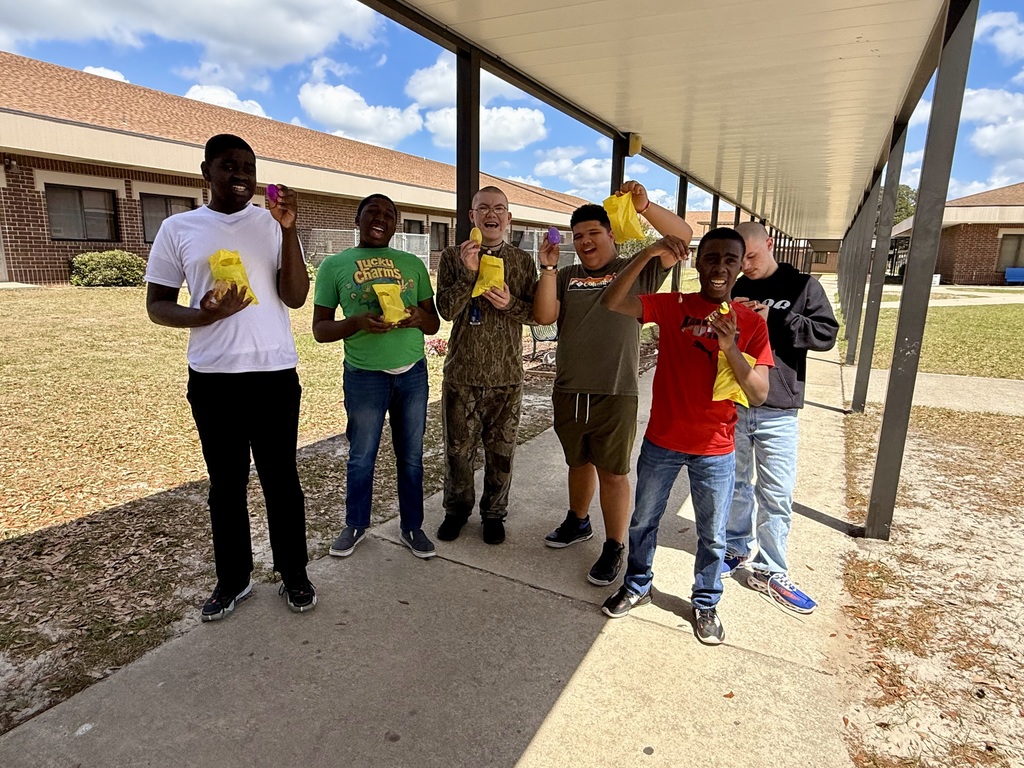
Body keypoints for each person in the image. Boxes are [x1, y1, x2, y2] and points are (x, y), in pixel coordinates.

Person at [145, 133, 315, 620]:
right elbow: (157, 306)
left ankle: (294, 572)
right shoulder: (180, 228)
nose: (241, 175)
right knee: (226, 484)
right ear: (206, 172)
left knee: (282, 480)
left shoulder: (273, 223)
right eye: (228, 166)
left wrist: (288, 229)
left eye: (248, 166)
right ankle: (233, 579)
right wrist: (202, 317)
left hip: (274, 373)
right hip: (214, 377)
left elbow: (297, 296)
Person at [600, 227, 774, 645]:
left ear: (740, 266)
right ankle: (638, 584)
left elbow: (759, 393)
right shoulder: (674, 306)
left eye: (729, 260)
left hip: (716, 449)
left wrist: (730, 345)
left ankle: (706, 601)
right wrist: (647, 254)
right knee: (643, 521)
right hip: (663, 440)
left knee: (712, 534)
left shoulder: (750, 322)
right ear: (697, 261)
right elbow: (612, 301)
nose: (719, 268)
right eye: (711, 258)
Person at [533, 182, 693, 586]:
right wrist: (548, 268)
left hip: (616, 390)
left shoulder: (636, 270)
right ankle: (578, 520)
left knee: (613, 472)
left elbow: (684, 236)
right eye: (578, 236)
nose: (586, 242)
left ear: (611, 235)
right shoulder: (566, 275)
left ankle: (614, 545)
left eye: (593, 233)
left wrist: (644, 207)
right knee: (577, 461)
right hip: (570, 388)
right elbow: (546, 316)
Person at [312, 194, 441, 561]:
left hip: (412, 374)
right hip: (364, 377)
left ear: (396, 224)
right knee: (362, 455)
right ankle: (355, 524)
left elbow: (433, 323)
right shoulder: (335, 266)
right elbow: (320, 329)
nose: (380, 218)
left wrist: (418, 318)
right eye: (372, 212)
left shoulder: (412, 264)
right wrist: (354, 323)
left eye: (389, 214)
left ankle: (412, 527)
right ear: (357, 219)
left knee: (412, 456)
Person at [723, 221, 839, 613]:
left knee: (776, 493)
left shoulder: (804, 286)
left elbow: (825, 335)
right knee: (736, 484)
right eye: (741, 260)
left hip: (779, 409)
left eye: (752, 257)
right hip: (738, 404)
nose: (746, 266)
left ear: (769, 245)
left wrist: (775, 318)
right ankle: (735, 548)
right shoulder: (738, 287)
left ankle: (770, 568)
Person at [435, 186, 537, 545]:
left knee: (501, 453)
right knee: (457, 453)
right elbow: (445, 310)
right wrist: (468, 273)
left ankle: (494, 514)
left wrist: (510, 303)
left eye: (499, 209)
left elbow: (537, 316)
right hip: (462, 374)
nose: (491, 214)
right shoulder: (451, 256)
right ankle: (456, 511)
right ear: (472, 217)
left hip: (506, 377)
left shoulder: (523, 263)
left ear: (508, 219)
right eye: (483, 208)